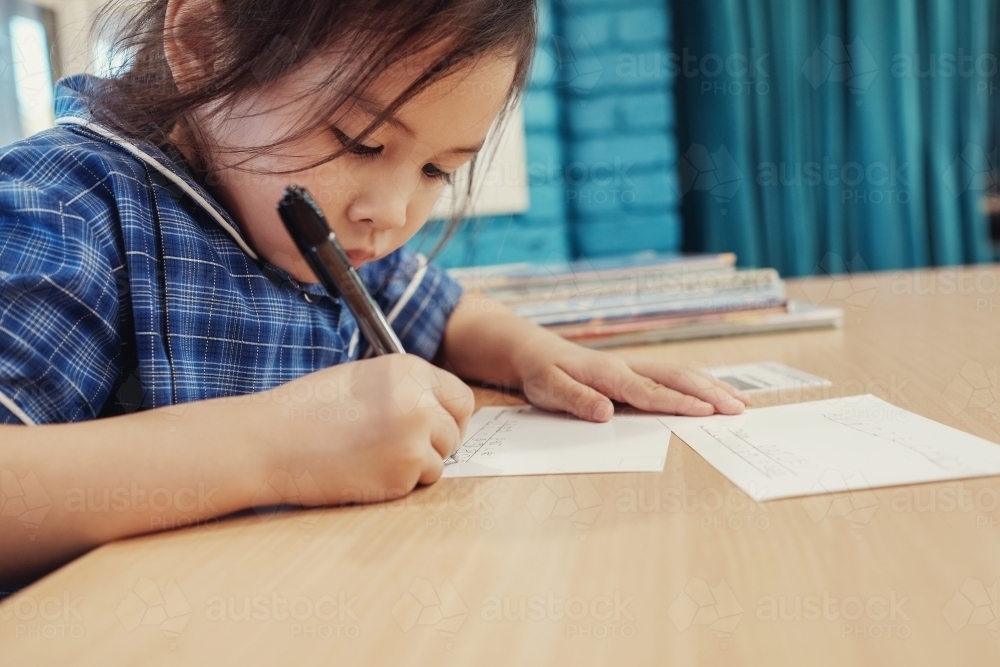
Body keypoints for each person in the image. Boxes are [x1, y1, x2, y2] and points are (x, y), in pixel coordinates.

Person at [0, 0, 748, 586]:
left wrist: (537, 355)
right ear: (203, 47)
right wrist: (277, 447)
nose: (390, 216)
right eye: (363, 143)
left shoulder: (313, 235)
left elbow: (444, 309)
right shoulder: (65, 210)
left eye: (436, 171)